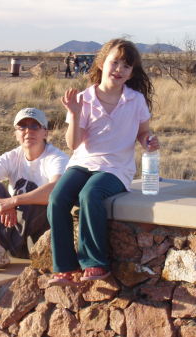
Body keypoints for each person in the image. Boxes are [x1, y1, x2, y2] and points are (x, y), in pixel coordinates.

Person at [47, 38, 159, 286]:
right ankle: (64, 267)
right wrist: (75, 114)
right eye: (115, 62)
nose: (119, 69)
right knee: (57, 199)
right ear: (101, 63)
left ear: (131, 73)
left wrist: (147, 140)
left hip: (115, 168)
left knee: (90, 195)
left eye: (126, 66)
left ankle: (95, 264)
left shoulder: (135, 100)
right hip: (82, 162)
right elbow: (73, 144)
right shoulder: (84, 99)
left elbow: (143, 132)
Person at [0, 108, 69, 272]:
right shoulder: (11, 157)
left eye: (35, 126)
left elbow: (57, 189)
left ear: (45, 132)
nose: (28, 131)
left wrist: (14, 201)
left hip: (39, 237)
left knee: (31, 196)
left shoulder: (56, 158)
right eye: (22, 127)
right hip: (15, 227)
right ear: (16, 134)